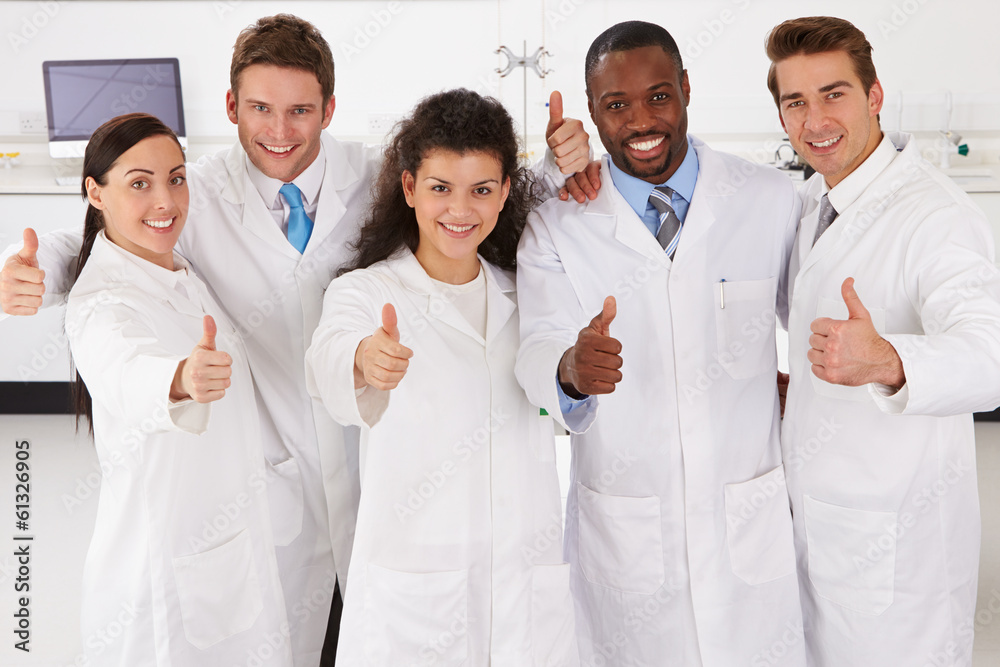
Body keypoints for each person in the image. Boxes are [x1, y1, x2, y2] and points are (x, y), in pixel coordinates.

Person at [0, 14, 592, 666]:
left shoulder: (372, 179)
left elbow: (475, 195)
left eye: (300, 110)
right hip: (269, 494)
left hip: (378, 484)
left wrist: (563, 166)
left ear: (329, 108)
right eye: (259, 108)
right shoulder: (193, 194)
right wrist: (34, 270)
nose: (279, 131)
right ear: (231, 106)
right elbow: (111, 232)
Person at [515, 20, 805, 667]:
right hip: (626, 533)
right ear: (592, 113)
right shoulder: (560, 223)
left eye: (658, 96)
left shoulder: (767, 197)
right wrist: (569, 369)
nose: (641, 119)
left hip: (746, 527)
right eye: (616, 105)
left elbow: (813, 325)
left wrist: (803, 394)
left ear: (686, 90)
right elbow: (533, 344)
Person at [305, 88, 577, 666]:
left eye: (481, 190)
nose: (461, 210)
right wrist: (362, 358)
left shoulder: (524, 291)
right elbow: (328, 357)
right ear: (409, 188)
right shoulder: (367, 291)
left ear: (505, 193)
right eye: (440, 189)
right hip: (417, 595)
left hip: (523, 581)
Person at [765, 16, 1000, 667]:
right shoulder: (814, 200)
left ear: (874, 97)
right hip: (819, 541)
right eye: (795, 102)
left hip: (897, 561)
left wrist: (890, 360)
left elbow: (991, 353)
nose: (815, 119)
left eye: (833, 93)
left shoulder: (937, 215)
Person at [67, 112, 291, 665]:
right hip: (160, 583)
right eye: (139, 183)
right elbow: (124, 369)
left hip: (227, 549)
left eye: (176, 178)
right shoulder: (102, 303)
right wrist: (179, 379)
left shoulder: (177, 268)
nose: (166, 201)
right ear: (96, 193)